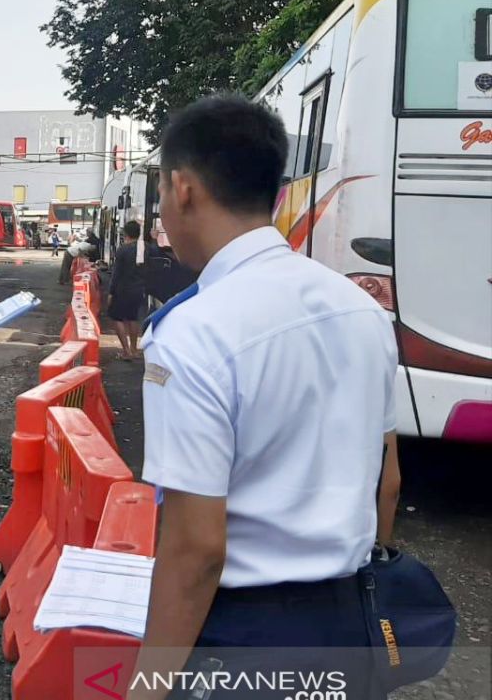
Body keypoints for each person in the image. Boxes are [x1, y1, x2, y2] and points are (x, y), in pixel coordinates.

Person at [128, 95, 399, 699]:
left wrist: (146, 687)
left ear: (183, 188)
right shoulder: (364, 311)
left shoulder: (193, 333)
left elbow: (196, 548)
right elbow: (388, 480)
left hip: (246, 636)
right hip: (351, 624)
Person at [106, 220, 147, 359]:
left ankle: (126, 351)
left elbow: (116, 273)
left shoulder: (123, 250)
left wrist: (111, 292)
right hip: (139, 289)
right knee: (133, 318)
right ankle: (134, 349)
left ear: (126, 234)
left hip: (122, 289)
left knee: (116, 317)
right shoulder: (144, 248)